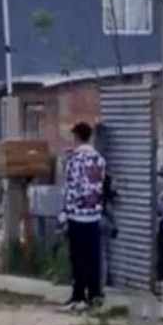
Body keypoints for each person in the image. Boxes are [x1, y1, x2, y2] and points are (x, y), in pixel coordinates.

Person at [59, 122, 106, 311]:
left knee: (78, 257)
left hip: (77, 215)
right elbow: (100, 184)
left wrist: (64, 213)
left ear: (77, 137)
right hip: (94, 214)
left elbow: (71, 188)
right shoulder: (99, 159)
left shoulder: (74, 160)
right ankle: (95, 294)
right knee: (93, 256)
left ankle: (78, 296)